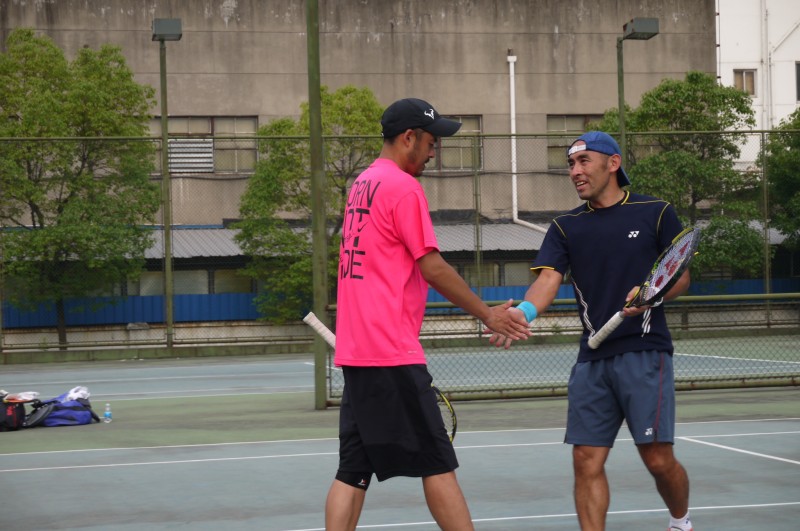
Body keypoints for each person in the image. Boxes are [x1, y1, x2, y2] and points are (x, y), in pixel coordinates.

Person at [327, 97, 531, 531]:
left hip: (358, 352)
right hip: (390, 352)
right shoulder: (403, 187)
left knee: (353, 471)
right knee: (437, 462)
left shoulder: (362, 184)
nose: (435, 151)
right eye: (431, 141)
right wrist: (488, 314)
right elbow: (432, 266)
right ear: (408, 138)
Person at [493, 131, 694, 531]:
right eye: (571, 164)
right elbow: (548, 280)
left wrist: (652, 294)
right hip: (592, 359)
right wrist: (524, 312)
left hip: (644, 352)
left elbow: (681, 276)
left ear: (613, 163)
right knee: (586, 460)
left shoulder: (655, 212)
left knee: (657, 459)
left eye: (584, 161)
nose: (575, 171)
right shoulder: (565, 227)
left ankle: (680, 521)